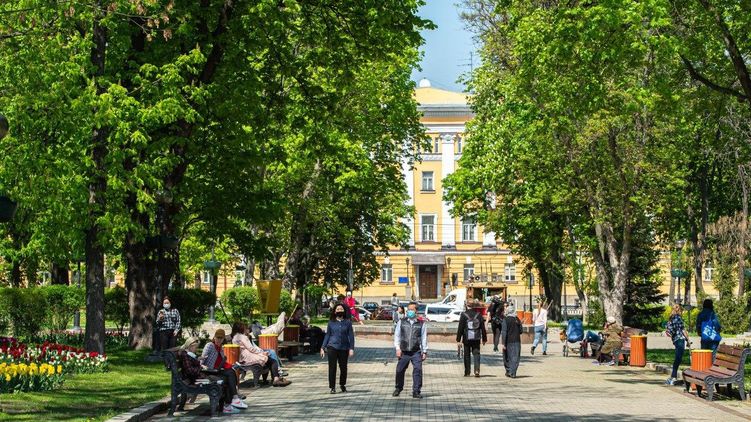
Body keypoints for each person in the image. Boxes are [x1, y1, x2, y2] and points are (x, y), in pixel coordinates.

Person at [175, 337, 242, 414]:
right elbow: (189, 370)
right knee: (223, 380)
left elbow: (192, 366)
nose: (196, 349)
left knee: (227, 376)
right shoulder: (185, 355)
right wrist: (201, 368)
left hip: (199, 376)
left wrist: (201, 365)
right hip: (196, 379)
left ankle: (229, 404)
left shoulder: (189, 354)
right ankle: (228, 405)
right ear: (190, 346)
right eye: (195, 347)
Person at [199, 330, 248, 412]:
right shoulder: (210, 345)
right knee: (230, 373)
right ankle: (234, 399)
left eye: (221, 338)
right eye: (217, 338)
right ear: (214, 337)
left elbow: (222, 362)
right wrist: (202, 366)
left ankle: (229, 403)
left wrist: (231, 365)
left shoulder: (221, 348)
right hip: (208, 371)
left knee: (231, 372)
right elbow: (202, 359)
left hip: (216, 370)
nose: (219, 340)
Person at [231, 322, 291, 387]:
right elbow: (251, 349)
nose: (246, 329)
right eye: (245, 328)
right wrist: (262, 353)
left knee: (268, 360)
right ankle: (276, 379)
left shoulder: (234, 338)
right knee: (273, 361)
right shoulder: (243, 337)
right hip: (248, 357)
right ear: (241, 328)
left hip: (241, 357)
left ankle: (275, 378)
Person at [393, 301, 428, 399]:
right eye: (408, 309)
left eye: (412, 310)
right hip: (404, 351)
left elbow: (424, 338)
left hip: (416, 351)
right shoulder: (402, 322)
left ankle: (416, 391)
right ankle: (398, 388)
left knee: (418, 370)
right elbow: (397, 336)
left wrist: (424, 351)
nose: (409, 311)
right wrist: (398, 348)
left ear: (416, 311)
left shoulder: (421, 324)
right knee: (399, 370)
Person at [321, 303, 355, 394]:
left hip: (344, 348)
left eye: (341, 309)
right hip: (332, 347)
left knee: (343, 367)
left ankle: (342, 384)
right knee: (332, 367)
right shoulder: (331, 322)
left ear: (344, 311)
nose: (340, 311)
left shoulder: (348, 322)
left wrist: (351, 348)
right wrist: (323, 347)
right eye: (338, 309)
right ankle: (332, 387)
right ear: (335, 311)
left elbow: (351, 336)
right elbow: (327, 335)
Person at [456, 299, 487, 377]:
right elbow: (482, 328)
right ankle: (477, 370)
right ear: (474, 306)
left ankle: (467, 372)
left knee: (467, 355)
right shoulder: (478, 315)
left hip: (466, 338)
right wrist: (484, 339)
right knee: (476, 354)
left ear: (466, 305)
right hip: (476, 338)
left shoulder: (464, 315)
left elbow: (460, 328)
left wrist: (458, 340)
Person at [665, 304, 690, 385]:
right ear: (679, 310)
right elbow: (682, 329)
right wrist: (688, 340)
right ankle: (673, 376)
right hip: (680, 339)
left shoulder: (671, 317)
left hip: (675, 339)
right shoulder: (678, 317)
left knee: (677, 358)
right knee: (678, 358)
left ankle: (673, 376)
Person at [501, 302, 522, 378]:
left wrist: (503, 343)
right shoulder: (517, 319)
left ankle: (509, 371)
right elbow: (521, 331)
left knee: (507, 357)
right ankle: (513, 372)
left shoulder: (505, 320)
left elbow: (504, 332)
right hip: (517, 341)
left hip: (508, 342)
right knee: (515, 358)